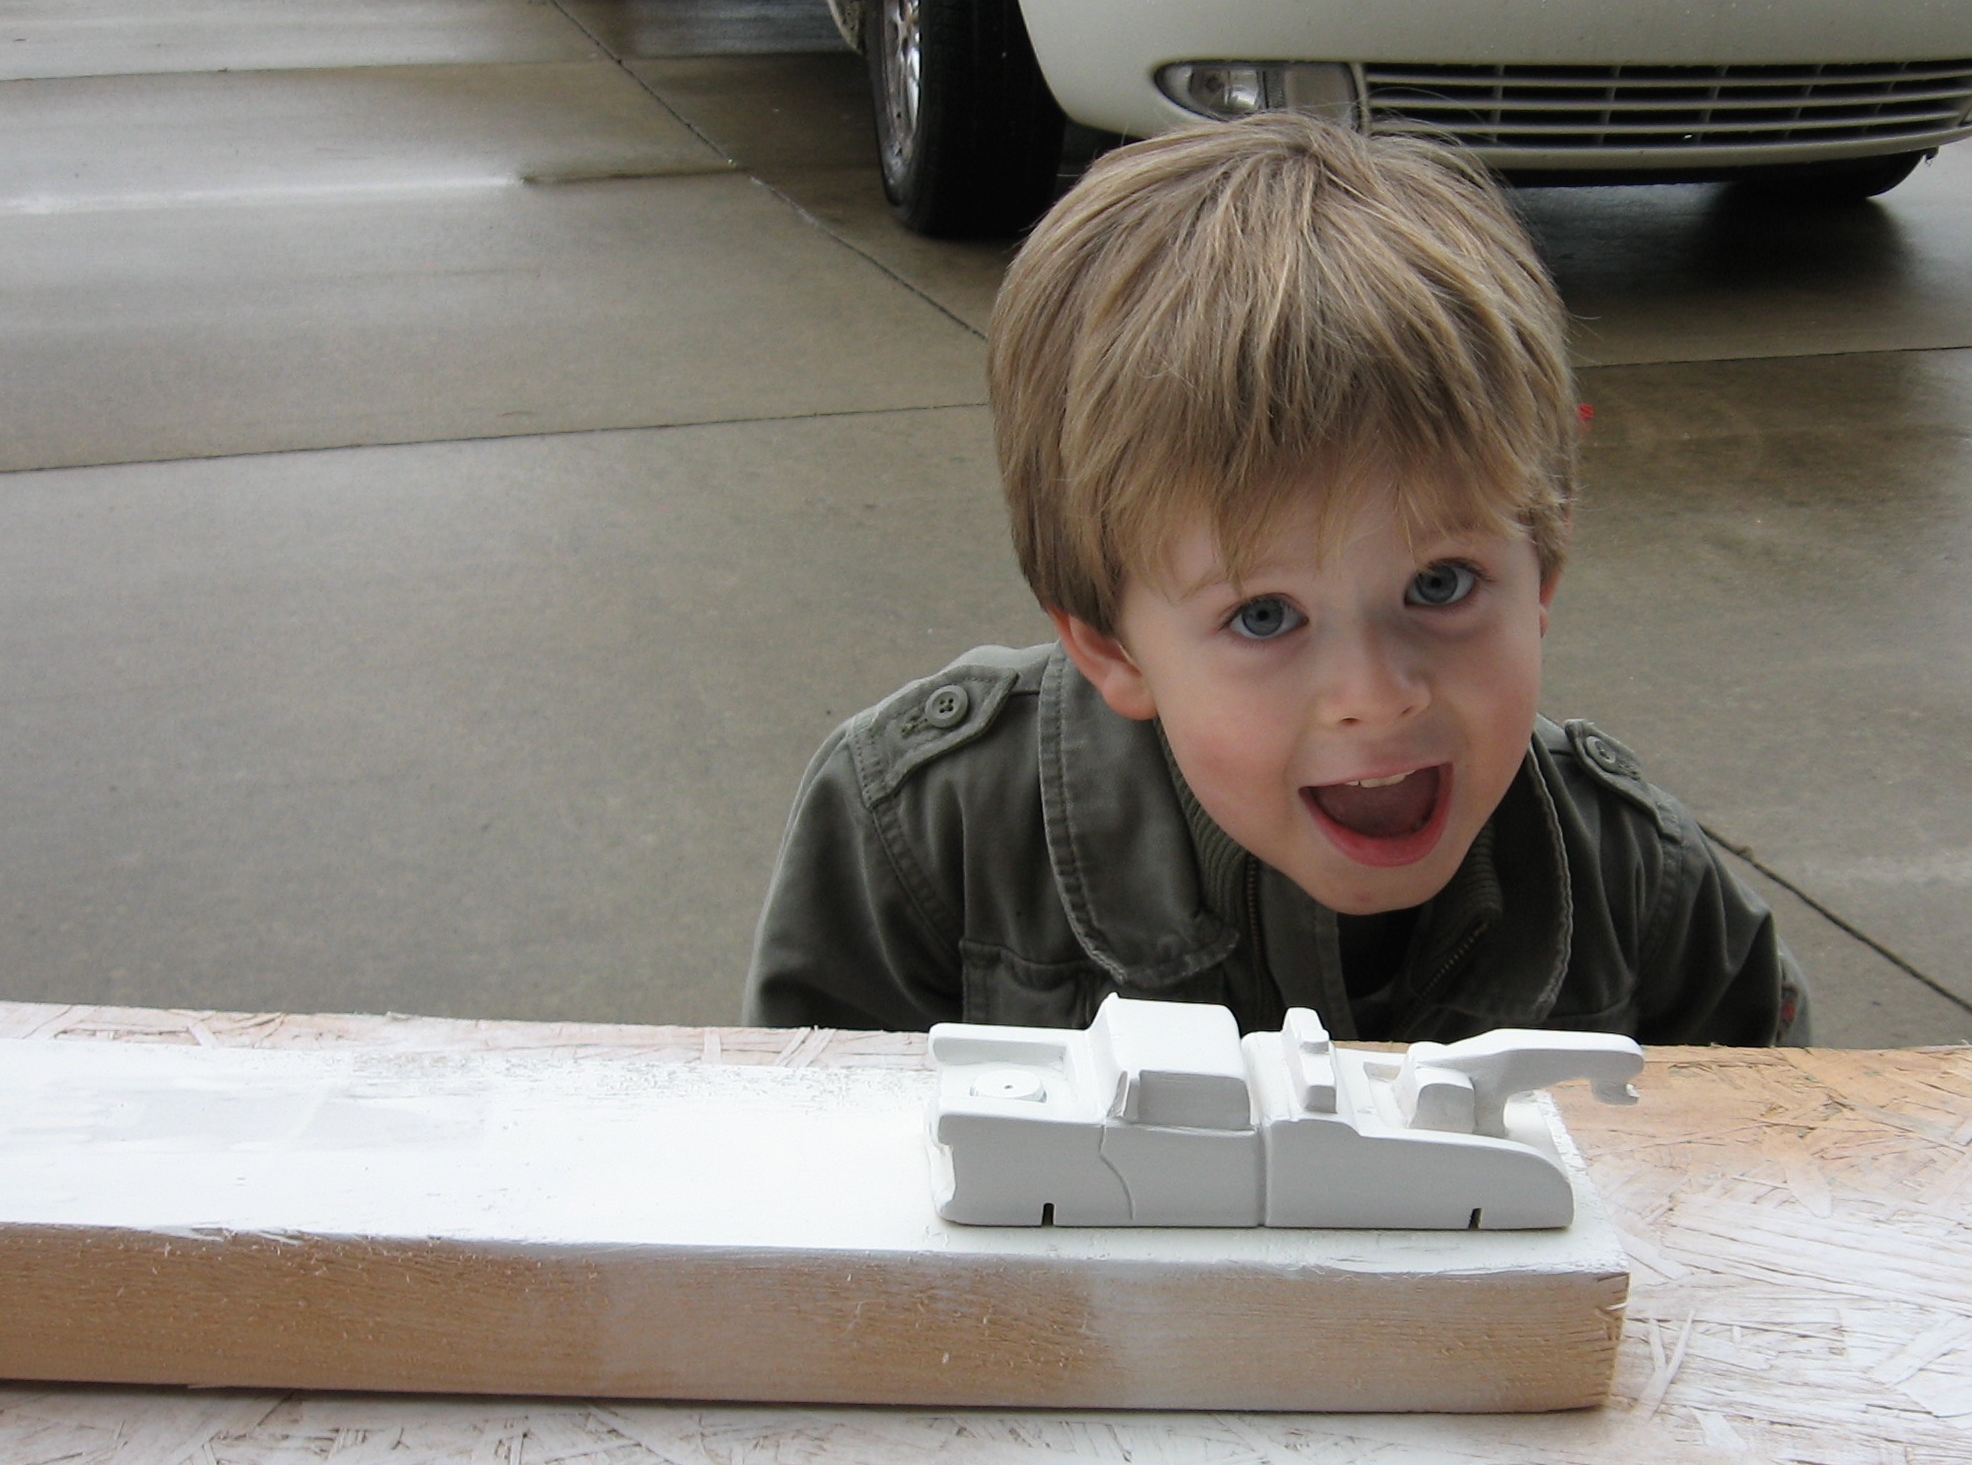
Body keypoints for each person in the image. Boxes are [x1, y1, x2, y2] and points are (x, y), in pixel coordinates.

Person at [746, 114, 1808, 1047]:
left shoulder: (1638, 888)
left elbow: (1780, 1157)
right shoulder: (929, 837)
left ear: (1545, 570)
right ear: (1111, 646)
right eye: (1264, 615)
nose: (1376, 696)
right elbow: (807, 1168)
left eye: (1441, 584)